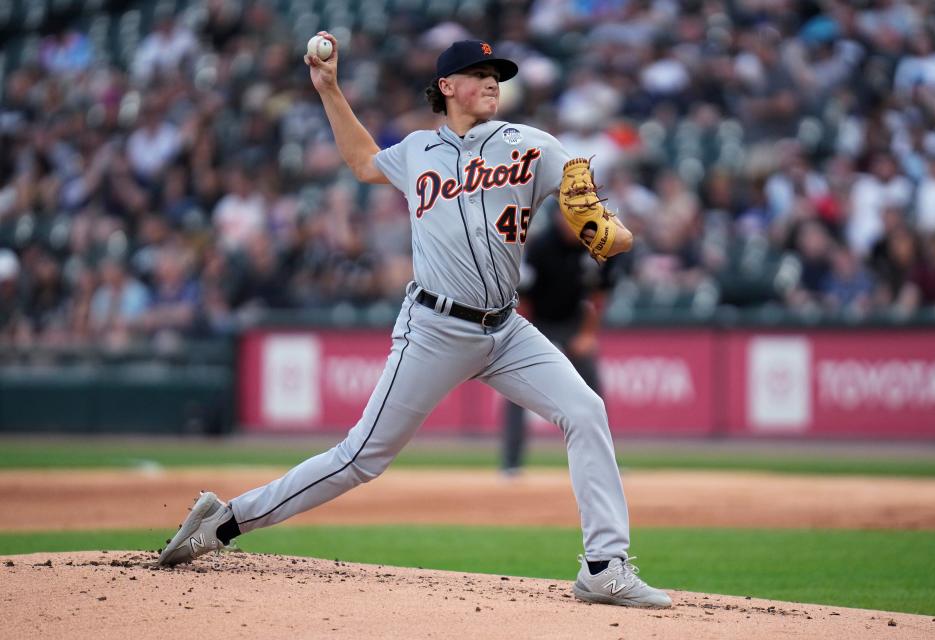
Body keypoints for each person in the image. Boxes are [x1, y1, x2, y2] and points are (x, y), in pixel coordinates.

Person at [157, 35, 672, 610]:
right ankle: (224, 522)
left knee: (586, 410)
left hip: (506, 330)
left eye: (495, 75)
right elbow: (360, 162)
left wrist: (606, 223)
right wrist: (329, 90)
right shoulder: (418, 151)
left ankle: (604, 566)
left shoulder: (533, 146)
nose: (491, 83)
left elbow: (589, 202)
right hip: (433, 328)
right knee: (360, 458)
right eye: (478, 74)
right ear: (446, 87)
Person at [501, 207, 619, 475]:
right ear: (558, 218)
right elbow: (523, 297)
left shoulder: (595, 244)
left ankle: (605, 463)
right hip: (536, 321)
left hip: (574, 322)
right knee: (516, 387)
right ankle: (511, 463)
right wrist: (523, 337)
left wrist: (588, 334)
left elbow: (599, 295)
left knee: (593, 392)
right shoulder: (542, 246)